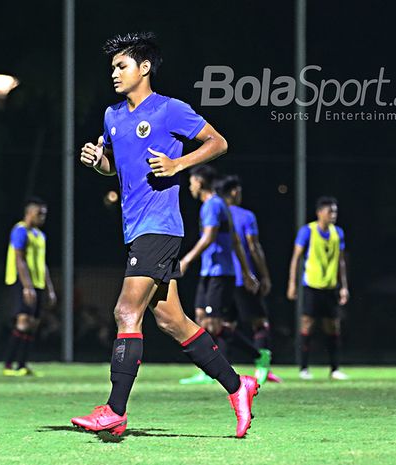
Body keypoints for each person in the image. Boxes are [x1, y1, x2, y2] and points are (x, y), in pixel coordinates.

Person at [71, 32, 259, 438]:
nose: (115, 74)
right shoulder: (112, 115)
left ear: (144, 68)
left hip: (161, 226)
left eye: (122, 66)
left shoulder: (170, 110)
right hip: (136, 228)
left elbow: (218, 142)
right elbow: (114, 167)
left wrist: (178, 164)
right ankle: (238, 385)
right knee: (173, 321)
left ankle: (115, 410)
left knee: (126, 312)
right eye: (112, 67)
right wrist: (97, 161)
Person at [177, 167, 262, 385]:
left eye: (191, 182)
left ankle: (257, 354)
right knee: (200, 320)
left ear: (199, 181)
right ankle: (207, 369)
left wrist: (186, 260)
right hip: (210, 272)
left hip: (220, 274)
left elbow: (209, 237)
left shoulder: (214, 205)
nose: (190, 186)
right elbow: (234, 241)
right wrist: (246, 272)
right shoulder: (216, 205)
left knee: (214, 325)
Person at [217, 175, 282, 384]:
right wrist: (263, 275)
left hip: (221, 277)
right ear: (235, 192)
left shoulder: (216, 212)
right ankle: (262, 366)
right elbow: (253, 247)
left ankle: (220, 370)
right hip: (244, 278)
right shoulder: (246, 216)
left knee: (225, 324)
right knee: (260, 322)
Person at [287, 196, 350, 380]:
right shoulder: (307, 231)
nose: (333, 215)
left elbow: (341, 262)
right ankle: (304, 368)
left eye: (335, 211)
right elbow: (296, 258)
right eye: (330, 211)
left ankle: (335, 369)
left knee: (333, 327)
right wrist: (292, 284)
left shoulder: (338, 233)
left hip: (330, 287)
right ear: (319, 213)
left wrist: (344, 286)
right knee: (307, 325)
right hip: (311, 286)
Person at [2, 197, 57, 376]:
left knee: (33, 324)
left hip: (38, 283)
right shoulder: (20, 230)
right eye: (39, 213)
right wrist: (27, 286)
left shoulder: (40, 235)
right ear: (29, 213)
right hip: (21, 281)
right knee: (23, 322)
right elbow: (19, 258)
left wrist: (49, 288)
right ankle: (8, 366)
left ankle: (23, 365)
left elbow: (43, 264)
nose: (42, 217)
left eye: (44, 214)